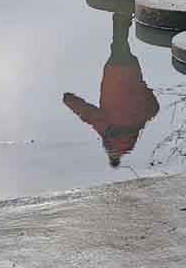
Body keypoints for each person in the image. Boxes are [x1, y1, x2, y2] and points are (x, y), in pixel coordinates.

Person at [62, 14, 159, 167]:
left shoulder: (137, 126)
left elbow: (154, 108)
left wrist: (143, 89)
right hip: (115, 74)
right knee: (118, 45)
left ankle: (122, 17)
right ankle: (121, 16)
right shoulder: (109, 129)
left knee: (119, 45)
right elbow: (87, 114)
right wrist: (69, 100)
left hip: (132, 73)